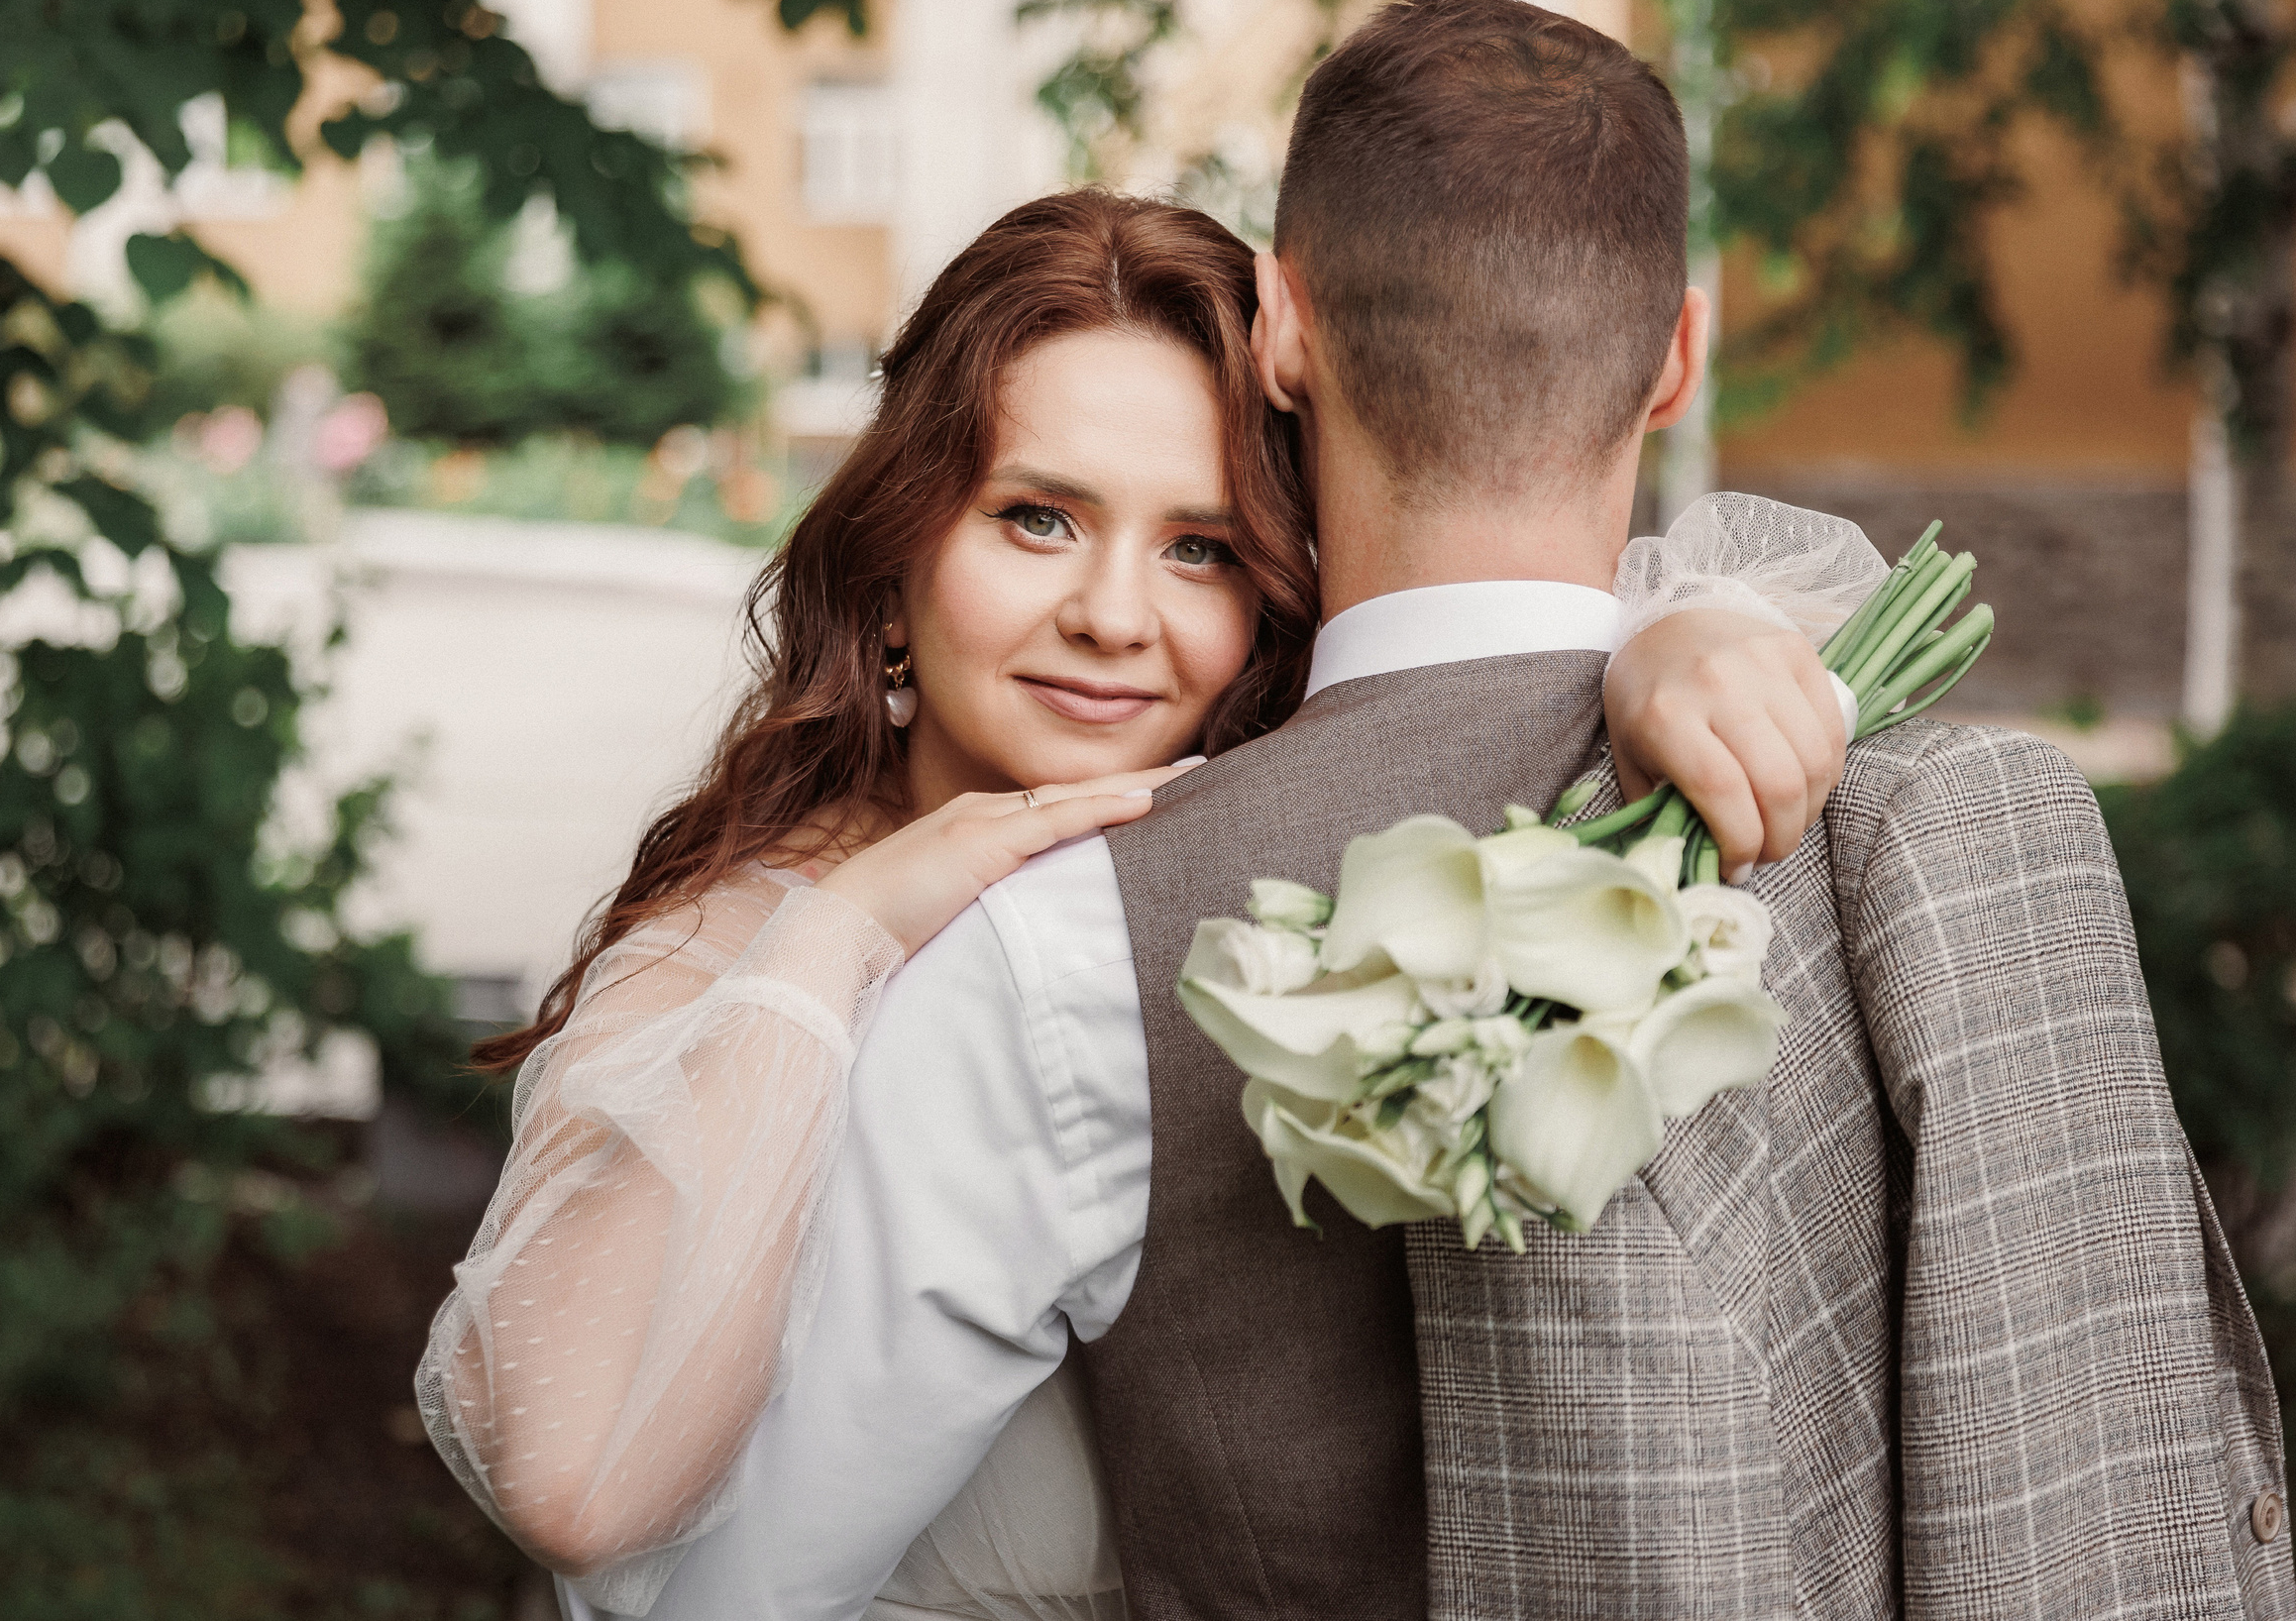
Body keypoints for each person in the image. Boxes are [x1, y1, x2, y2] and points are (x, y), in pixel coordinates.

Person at [627, 0, 2293, 1621]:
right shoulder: (1916, 792)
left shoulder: (1058, 943)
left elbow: (711, 1587)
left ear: (1279, 331)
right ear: (1681, 354)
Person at [414, 187, 1867, 1610]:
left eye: (1199, 547)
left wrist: (1677, 637)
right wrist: (850, 932)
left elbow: (1491, 628)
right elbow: (571, 1494)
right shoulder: (732, 938)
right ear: (897, 556)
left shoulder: (1243, 848)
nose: (1116, 617)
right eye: (1038, 519)